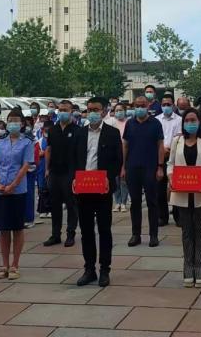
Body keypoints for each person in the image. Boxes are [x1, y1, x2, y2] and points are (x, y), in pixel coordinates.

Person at [71, 97, 123, 287]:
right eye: (90, 109)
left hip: (102, 188)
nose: (92, 113)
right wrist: (74, 178)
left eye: (96, 109)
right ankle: (89, 269)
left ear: (104, 111)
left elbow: (118, 160)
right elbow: (73, 159)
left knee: (104, 229)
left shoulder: (112, 133)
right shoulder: (79, 133)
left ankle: (105, 269)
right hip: (83, 187)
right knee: (86, 230)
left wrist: (110, 177)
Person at [168, 108, 201, 287]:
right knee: (186, 233)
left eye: (193, 120)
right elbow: (170, 164)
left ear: (199, 122)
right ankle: (188, 268)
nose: (190, 123)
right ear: (183, 123)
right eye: (187, 120)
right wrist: (171, 178)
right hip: (182, 194)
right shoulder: (177, 141)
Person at [0, 107, 33, 280]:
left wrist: (13, 185)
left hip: (17, 190)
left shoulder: (27, 143)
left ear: (22, 124)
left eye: (16, 121)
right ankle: (4, 264)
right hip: (0, 189)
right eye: (10, 121)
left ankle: (15, 264)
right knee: (3, 228)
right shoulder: (0, 143)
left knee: (17, 228)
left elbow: (25, 166)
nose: (12, 124)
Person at [122, 94, 165, 246]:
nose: (140, 108)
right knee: (135, 202)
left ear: (148, 106)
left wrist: (160, 167)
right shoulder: (130, 123)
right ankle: (136, 234)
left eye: (142, 105)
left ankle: (153, 235)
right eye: (137, 106)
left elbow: (160, 146)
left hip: (150, 167)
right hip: (132, 167)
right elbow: (125, 146)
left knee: (152, 201)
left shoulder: (155, 123)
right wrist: (123, 167)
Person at [44, 99, 80, 247]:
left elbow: (80, 153)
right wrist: (47, 169)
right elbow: (49, 149)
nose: (63, 112)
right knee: (55, 205)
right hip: (54, 172)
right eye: (61, 110)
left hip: (70, 172)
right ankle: (55, 235)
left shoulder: (78, 130)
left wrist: (78, 173)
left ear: (71, 112)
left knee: (71, 204)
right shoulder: (53, 130)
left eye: (66, 110)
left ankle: (70, 234)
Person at [157, 92, 183, 227]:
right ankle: (162, 216)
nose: (166, 106)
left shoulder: (179, 120)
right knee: (160, 189)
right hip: (160, 157)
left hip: (175, 157)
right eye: (163, 104)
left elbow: (179, 137)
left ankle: (179, 216)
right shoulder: (156, 120)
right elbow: (155, 138)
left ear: (173, 105)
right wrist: (162, 149)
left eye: (168, 104)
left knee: (176, 188)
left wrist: (169, 149)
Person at [107, 102, 131, 212]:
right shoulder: (111, 123)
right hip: (114, 153)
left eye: (120, 110)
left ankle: (124, 202)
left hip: (126, 152)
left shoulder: (129, 123)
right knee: (115, 179)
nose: (118, 112)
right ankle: (117, 202)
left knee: (123, 179)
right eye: (116, 110)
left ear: (125, 111)